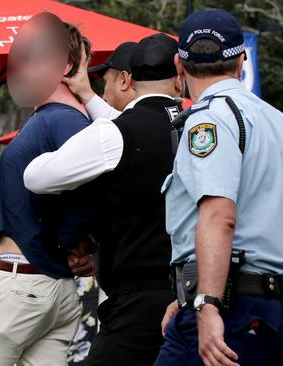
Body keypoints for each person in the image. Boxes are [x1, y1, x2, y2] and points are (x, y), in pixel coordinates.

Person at [24, 33, 183, 365]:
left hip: (137, 300)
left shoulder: (116, 133)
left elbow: (37, 177)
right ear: (179, 79)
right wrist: (89, 96)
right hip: (195, 295)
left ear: (128, 78)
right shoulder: (200, 127)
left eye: (107, 80)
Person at [0, 16, 97, 366]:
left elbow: (93, 191)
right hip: (45, 286)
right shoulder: (57, 119)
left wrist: (68, 241)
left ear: (64, 66)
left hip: (20, 284)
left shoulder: (62, 119)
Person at [154, 10, 283, 366]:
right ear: (241, 61)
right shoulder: (276, 121)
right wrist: (185, 296)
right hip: (267, 305)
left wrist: (206, 303)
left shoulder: (209, 119)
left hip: (229, 307)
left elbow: (218, 215)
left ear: (179, 65)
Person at [71, 41, 138, 118]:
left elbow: (118, 123)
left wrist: (85, 92)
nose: (103, 97)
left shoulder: (131, 122)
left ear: (124, 80)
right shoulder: (149, 115)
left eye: (105, 82)